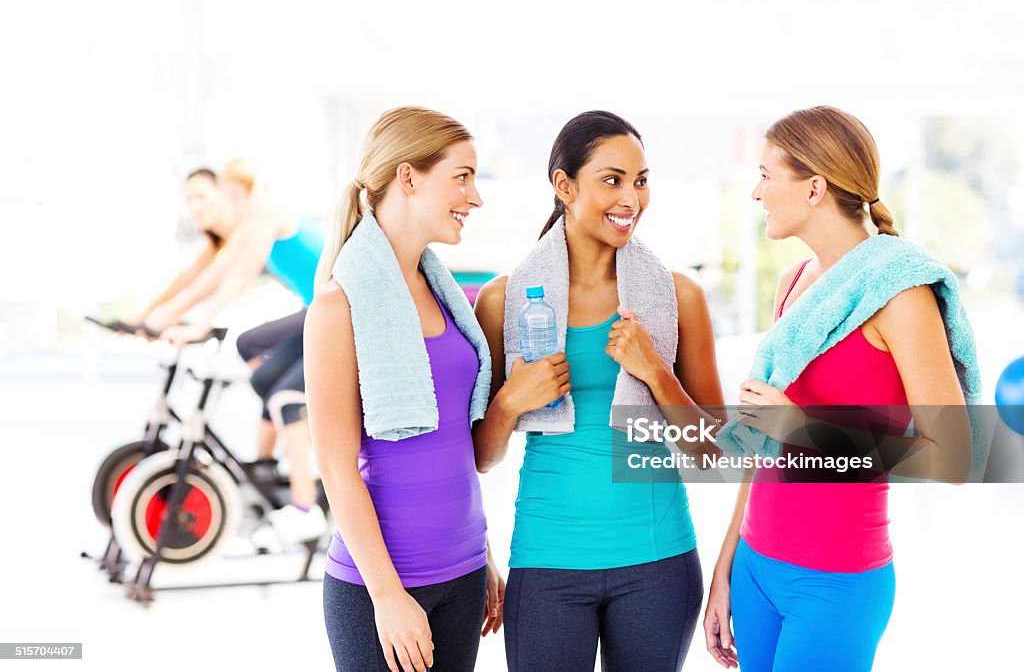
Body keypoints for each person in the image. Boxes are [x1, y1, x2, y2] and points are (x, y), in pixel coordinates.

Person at [703, 106, 978, 672]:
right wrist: (726, 564)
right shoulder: (792, 285)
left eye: (765, 174)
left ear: (813, 188)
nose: (755, 192)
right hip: (756, 566)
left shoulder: (900, 296)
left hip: (836, 581)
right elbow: (760, 441)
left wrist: (801, 428)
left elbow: (955, 458)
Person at [472, 111, 724, 671]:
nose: (630, 197)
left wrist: (655, 370)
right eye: (612, 180)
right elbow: (480, 458)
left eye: (640, 180)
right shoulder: (503, 300)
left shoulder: (679, 296)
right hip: (547, 561)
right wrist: (511, 401)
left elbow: (713, 451)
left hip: (657, 563)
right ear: (564, 186)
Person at [304, 106, 505, 672]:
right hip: (380, 588)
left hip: (464, 573)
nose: (475, 196)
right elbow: (336, 467)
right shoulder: (338, 307)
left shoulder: (445, 294)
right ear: (409, 177)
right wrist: (389, 598)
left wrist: (482, 551)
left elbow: (452, 441)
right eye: (461, 177)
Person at [134, 161, 327, 544]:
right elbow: (212, 276)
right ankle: (273, 466)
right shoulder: (252, 223)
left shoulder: (268, 214)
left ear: (255, 192)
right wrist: (153, 318)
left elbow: (238, 277)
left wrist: (199, 325)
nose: (233, 205)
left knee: (287, 397)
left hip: (341, 314)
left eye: (238, 197)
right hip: (318, 311)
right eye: (230, 198)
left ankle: (307, 510)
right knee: (265, 379)